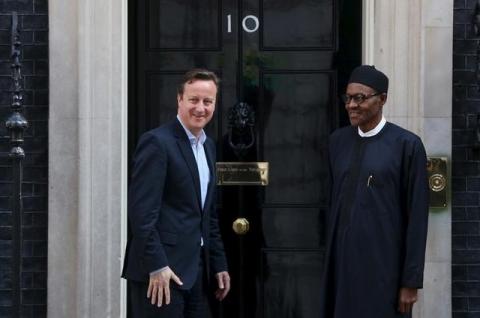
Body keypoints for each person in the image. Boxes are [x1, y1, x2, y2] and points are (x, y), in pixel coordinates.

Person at [319, 65, 429, 318]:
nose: (351, 105)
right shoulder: (338, 141)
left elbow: (417, 218)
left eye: (360, 98)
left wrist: (410, 281)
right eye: (348, 98)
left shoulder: (407, 145)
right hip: (342, 265)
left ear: (383, 99)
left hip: (384, 269)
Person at [122, 69, 231, 317]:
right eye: (194, 100)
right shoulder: (157, 143)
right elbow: (141, 214)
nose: (200, 108)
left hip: (196, 272)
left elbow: (207, 215)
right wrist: (157, 265)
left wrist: (219, 263)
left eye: (208, 101)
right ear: (179, 100)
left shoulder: (208, 147)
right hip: (160, 274)